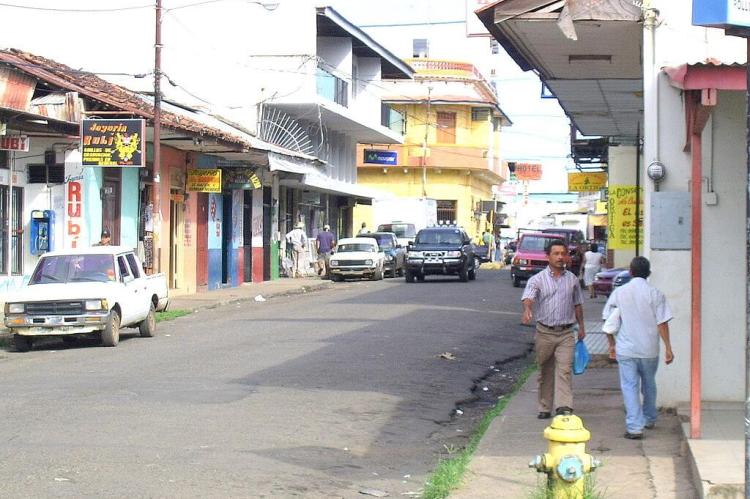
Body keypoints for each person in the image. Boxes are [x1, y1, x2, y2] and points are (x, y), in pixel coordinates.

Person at [602, 256, 674, 440]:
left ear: (631, 272)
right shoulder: (656, 293)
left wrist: (611, 345)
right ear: (648, 273)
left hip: (626, 349)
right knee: (649, 384)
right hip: (649, 349)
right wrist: (668, 348)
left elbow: (609, 321)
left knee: (629, 386)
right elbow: (662, 324)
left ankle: (634, 427)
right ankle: (649, 418)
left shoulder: (619, 293)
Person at [522, 239, 586, 419]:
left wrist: (581, 327)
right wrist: (527, 309)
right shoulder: (538, 279)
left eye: (562, 254)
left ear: (567, 256)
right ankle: (544, 406)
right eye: (555, 254)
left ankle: (564, 405)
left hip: (566, 332)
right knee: (545, 370)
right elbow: (529, 297)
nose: (560, 257)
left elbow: (578, 304)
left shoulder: (572, 280)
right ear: (548, 256)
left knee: (564, 369)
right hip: (545, 332)